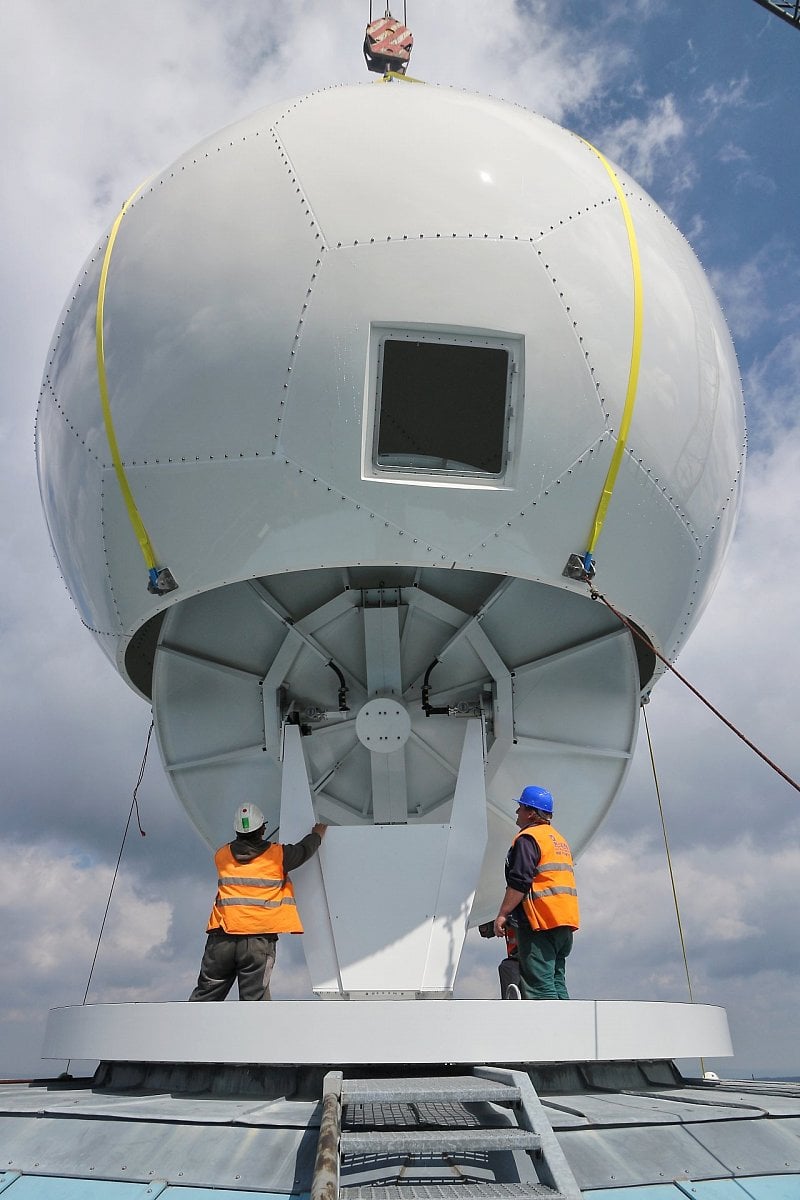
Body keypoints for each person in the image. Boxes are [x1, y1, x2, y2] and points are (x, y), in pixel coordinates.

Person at [189, 803, 327, 1002]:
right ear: (263, 828)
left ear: (237, 830)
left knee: (205, 996)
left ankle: (189, 1032)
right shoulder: (279, 855)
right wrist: (317, 835)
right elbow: (304, 851)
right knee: (254, 1002)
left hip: (221, 939)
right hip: (257, 942)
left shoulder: (221, 855)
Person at [493, 785, 579, 1000]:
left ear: (531, 812)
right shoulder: (557, 839)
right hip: (563, 923)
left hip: (540, 922)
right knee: (556, 982)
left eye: (520, 808)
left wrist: (503, 914)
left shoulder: (528, 839)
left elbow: (520, 881)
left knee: (540, 988)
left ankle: (550, 1032)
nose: (517, 812)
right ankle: (570, 1029)